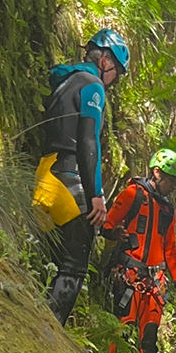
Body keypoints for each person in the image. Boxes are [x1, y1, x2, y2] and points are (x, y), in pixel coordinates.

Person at [32, 28, 130, 325]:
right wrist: (97, 195)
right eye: (117, 72)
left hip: (45, 173)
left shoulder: (66, 81)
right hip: (69, 180)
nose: (114, 80)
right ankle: (48, 336)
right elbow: (89, 143)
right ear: (105, 62)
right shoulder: (93, 87)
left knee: (45, 259)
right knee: (74, 266)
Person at [101, 148, 176, 353]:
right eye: (171, 180)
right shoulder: (133, 194)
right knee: (122, 329)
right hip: (129, 274)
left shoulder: (168, 210)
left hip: (154, 281)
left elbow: (170, 250)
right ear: (157, 172)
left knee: (149, 337)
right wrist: (113, 233)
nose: (173, 186)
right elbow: (107, 223)